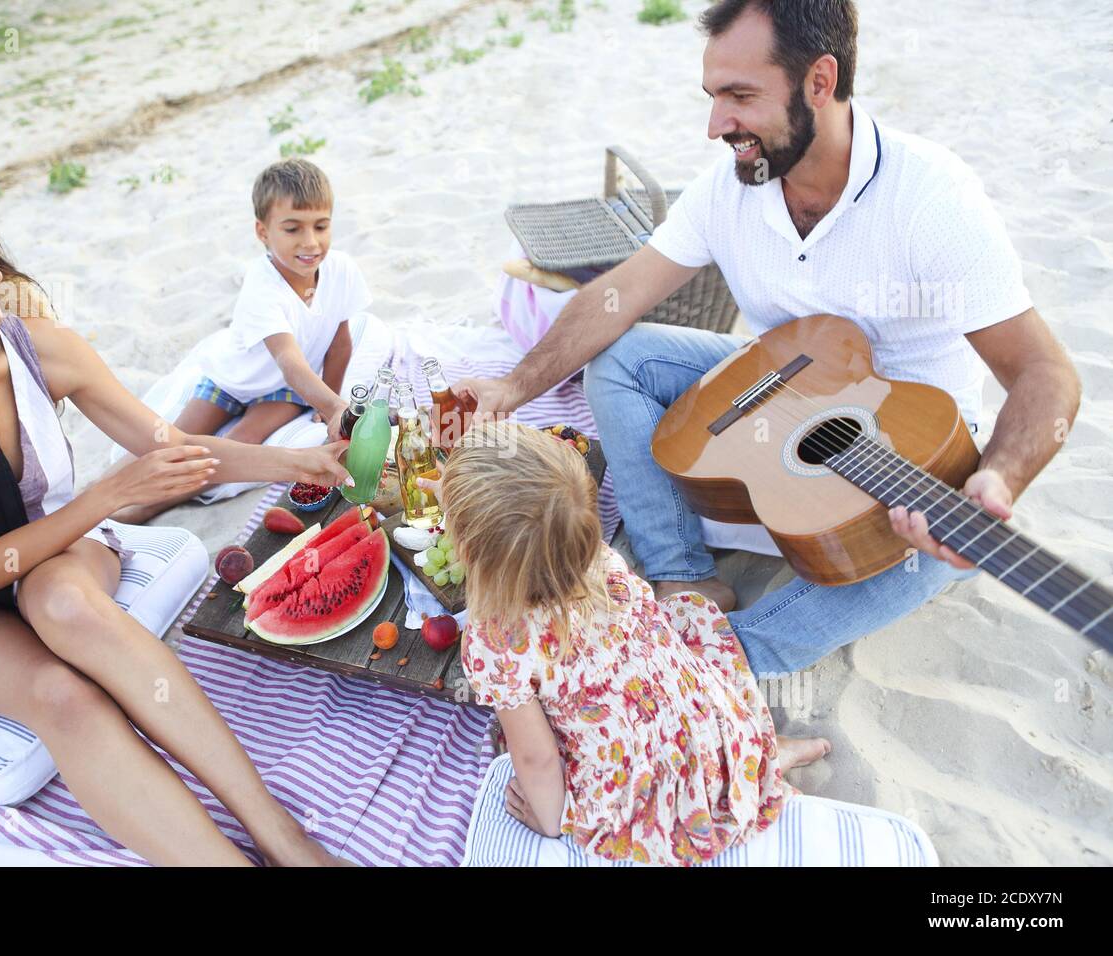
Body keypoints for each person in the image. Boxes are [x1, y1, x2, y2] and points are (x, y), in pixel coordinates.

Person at [455, 0, 1081, 676]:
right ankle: (681, 573)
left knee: (904, 560)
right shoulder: (729, 190)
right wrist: (513, 385)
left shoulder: (932, 198)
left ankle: (713, 670)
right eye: (714, 96)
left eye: (740, 97)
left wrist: (997, 478)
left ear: (819, 81)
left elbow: (1047, 376)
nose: (716, 125)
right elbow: (617, 294)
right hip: (782, 385)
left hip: (917, 464)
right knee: (621, 356)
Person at [0, 165, 351, 866]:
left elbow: (170, 447)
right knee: (62, 696)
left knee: (61, 602)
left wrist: (300, 462)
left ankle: (284, 839)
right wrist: (109, 495)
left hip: (67, 557)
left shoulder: (33, 337)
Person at [439, 422, 829, 864]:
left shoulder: (496, 642)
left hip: (645, 783)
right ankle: (762, 757)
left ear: (472, 555)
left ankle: (763, 766)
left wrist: (550, 821)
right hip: (710, 725)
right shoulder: (599, 559)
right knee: (686, 644)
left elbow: (537, 759)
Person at [114, 157, 370, 525]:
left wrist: (327, 398)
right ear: (263, 232)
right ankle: (95, 493)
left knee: (240, 442)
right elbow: (289, 360)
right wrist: (333, 407)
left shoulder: (341, 269)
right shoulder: (261, 284)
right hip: (234, 377)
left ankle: (147, 507)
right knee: (173, 439)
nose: (310, 242)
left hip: (283, 391)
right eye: (292, 229)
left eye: (321, 226)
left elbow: (339, 341)